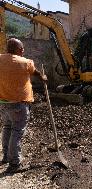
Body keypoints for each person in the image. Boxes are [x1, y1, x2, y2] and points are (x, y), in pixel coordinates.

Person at [0, 38, 47, 173]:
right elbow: (36, 73)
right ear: (17, 50)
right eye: (22, 49)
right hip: (19, 104)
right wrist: (42, 77)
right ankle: (14, 164)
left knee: (7, 128)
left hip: (3, 103)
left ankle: (6, 156)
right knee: (17, 132)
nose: (23, 51)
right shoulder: (25, 62)